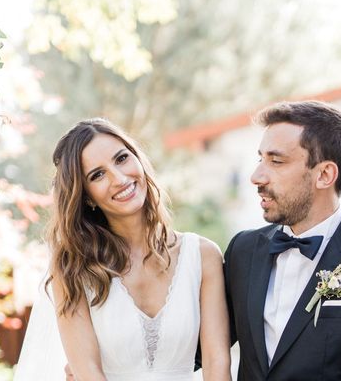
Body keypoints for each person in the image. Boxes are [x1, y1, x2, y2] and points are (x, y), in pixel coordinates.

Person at [14, 118, 230, 381]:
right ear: (86, 196)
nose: (119, 178)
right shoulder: (73, 269)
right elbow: (88, 373)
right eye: (97, 175)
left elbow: (217, 362)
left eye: (121, 158)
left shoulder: (203, 256)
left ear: (138, 160)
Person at [224, 100, 341, 380]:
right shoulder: (242, 250)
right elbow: (198, 345)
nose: (257, 176)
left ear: (325, 174)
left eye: (276, 161)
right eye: (260, 159)